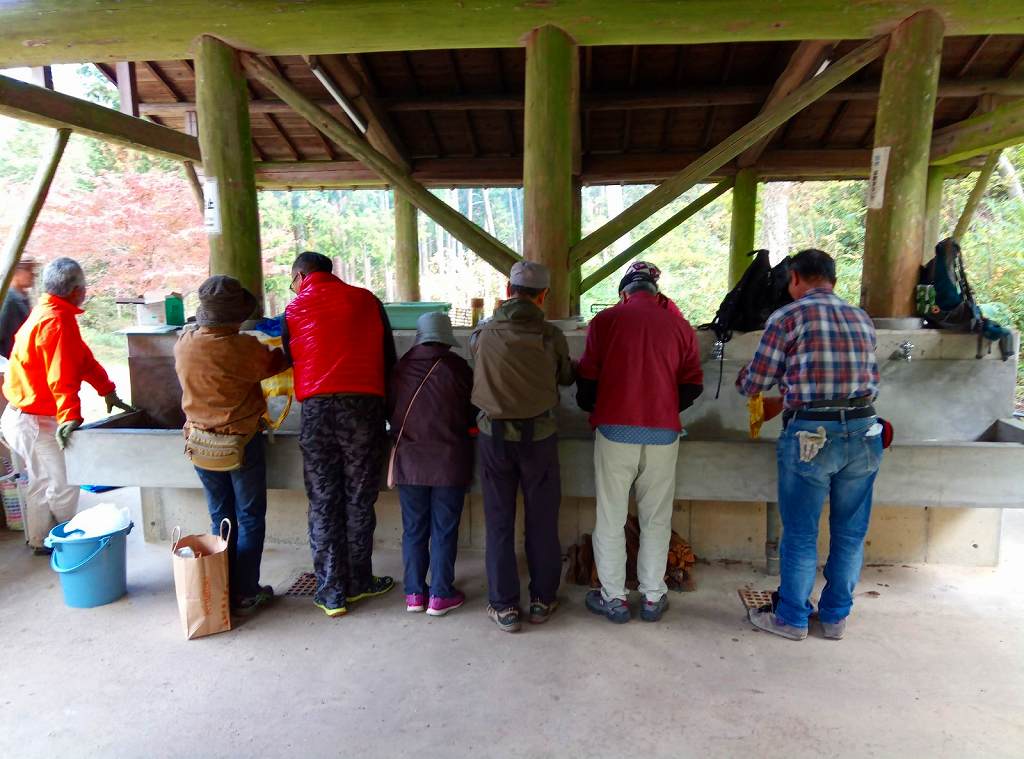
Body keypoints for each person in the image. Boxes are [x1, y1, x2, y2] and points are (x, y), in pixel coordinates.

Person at [736, 248, 881, 641]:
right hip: (865, 429)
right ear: (832, 280)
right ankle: (834, 618)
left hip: (811, 437)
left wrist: (744, 380)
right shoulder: (861, 318)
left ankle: (792, 619)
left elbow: (757, 380)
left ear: (795, 278)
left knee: (800, 533)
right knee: (850, 533)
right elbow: (870, 377)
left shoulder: (787, 316)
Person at [576, 261, 703, 624]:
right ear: (655, 292)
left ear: (623, 293)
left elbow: (586, 381)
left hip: (615, 432)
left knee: (611, 518)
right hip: (663, 435)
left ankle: (614, 599)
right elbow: (693, 384)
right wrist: (662, 406)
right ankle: (652, 597)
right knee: (656, 519)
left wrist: (600, 405)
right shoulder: (680, 326)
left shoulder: (605, 322)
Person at [285, 251, 397, 618]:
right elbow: (389, 360)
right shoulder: (367, 300)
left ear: (301, 275)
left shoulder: (294, 308)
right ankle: (359, 581)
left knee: (323, 499)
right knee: (358, 497)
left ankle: (331, 592)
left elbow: (291, 355)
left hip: (317, 411)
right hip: (363, 410)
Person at [0, 257, 132, 553]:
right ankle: (72, 542)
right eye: (83, 286)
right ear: (75, 291)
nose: (85, 291)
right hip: (31, 418)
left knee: (43, 479)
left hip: (29, 415)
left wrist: (106, 389)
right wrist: (71, 416)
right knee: (64, 481)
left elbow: (82, 359)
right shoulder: (54, 320)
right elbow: (61, 376)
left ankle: (41, 540)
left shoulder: (54, 313)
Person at [173, 275, 288, 615]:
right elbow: (279, 362)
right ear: (236, 316)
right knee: (250, 517)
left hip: (199, 443)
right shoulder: (242, 348)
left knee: (220, 517)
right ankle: (246, 591)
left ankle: (222, 589)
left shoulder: (185, 342)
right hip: (239, 444)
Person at [470, 261, 575, 632]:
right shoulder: (550, 335)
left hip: (493, 440)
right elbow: (565, 376)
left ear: (508, 288)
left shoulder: (482, 333)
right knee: (542, 521)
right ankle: (543, 600)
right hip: (540, 439)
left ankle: (504, 607)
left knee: (498, 522)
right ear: (543, 295)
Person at [388, 312, 475, 617]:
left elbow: (389, 412)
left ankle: (413, 594)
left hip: (410, 463)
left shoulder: (399, 370)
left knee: (413, 529)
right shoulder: (458, 369)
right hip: (449, 463)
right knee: (444, 529)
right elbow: (472, 413)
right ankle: (440, 594)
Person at [0, 259, 38, 358]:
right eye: (28, 269)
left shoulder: (23, 298)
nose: (33, 274)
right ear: (15, 272)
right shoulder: (8, 300)